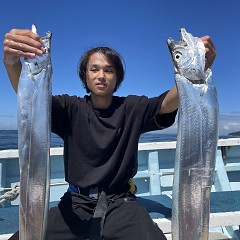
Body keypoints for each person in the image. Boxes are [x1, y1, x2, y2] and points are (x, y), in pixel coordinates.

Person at [3, 28, 216, 240]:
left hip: (121, 202)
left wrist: (195, 70)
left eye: (109, 70)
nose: (101, 76)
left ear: (117, 77)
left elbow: (166, 104)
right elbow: (33, 97)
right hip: (75, 202)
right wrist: (11, 63)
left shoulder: (133, 107)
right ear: (85, 76)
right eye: (94, 69)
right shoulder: (69, 108)